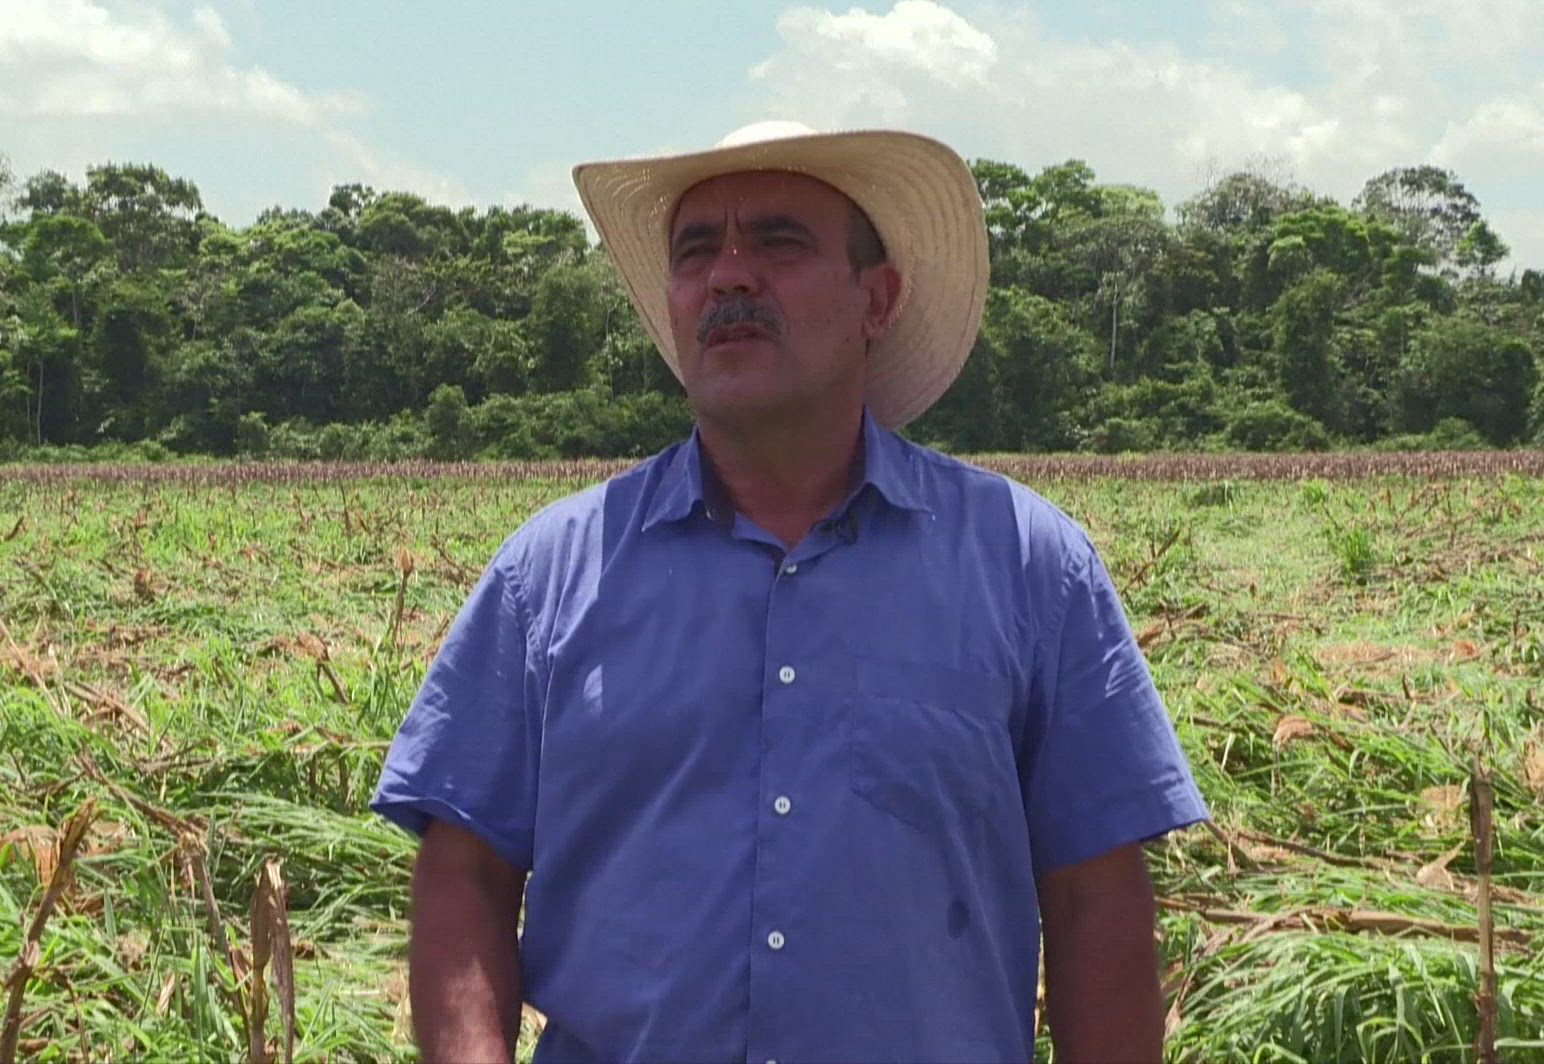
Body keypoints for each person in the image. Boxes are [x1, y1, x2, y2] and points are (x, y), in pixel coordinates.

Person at [370, 120, 1209, 1063]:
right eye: (697, 251)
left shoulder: (1028, 564)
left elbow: (1097, 901)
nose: (729, 276)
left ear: (876, 299)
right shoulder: (549, 575)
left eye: (779, 241)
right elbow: (464, 875)